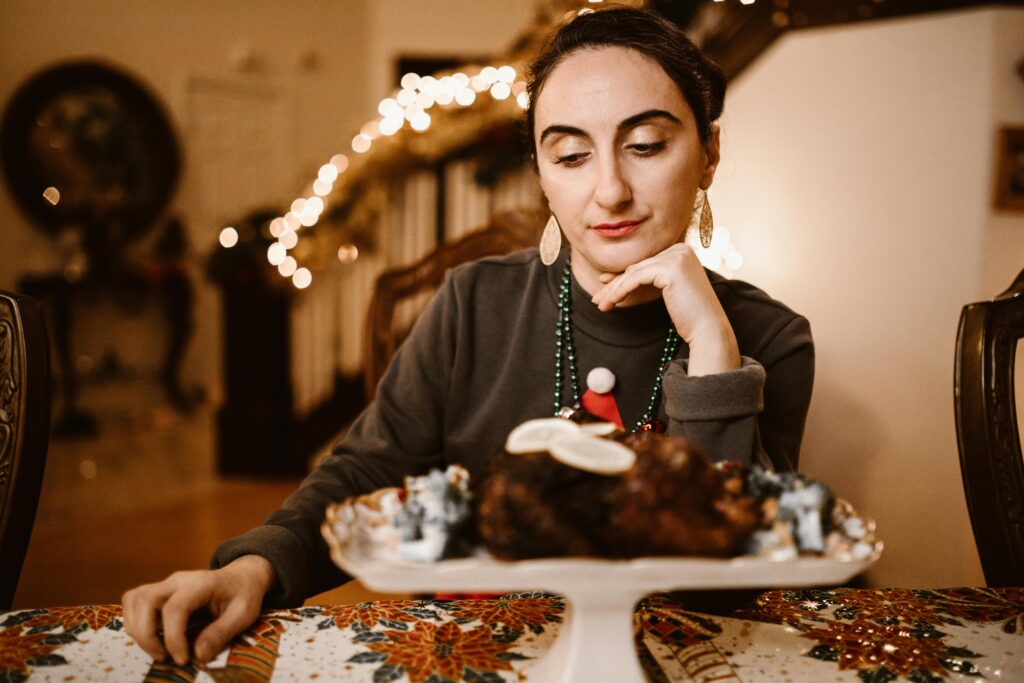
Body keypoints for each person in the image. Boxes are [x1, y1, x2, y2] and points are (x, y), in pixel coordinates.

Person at [123, 5, 814, 666]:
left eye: (645, 146)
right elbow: (367, 469)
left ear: (709, 153)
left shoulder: (771, 338)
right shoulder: (472, 302)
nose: (609, 190)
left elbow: (729, 582)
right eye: (571, 155)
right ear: (542, 174)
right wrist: (257, 563)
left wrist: (713, 351)